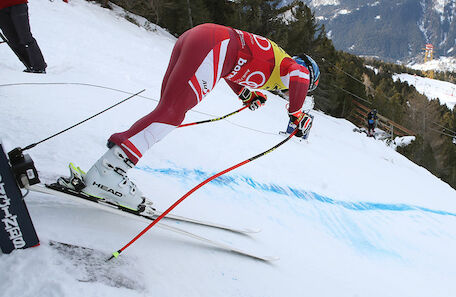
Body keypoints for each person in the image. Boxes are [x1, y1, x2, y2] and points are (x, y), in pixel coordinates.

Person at [58, 23, 320, 216]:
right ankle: (110, 172)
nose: (292, 90)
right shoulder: (293, 69)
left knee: (167, 110)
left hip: (202, 38)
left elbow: (232, 68)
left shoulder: (277, 63)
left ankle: (108, 167)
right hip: (216, 45)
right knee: (171, 113)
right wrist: (296, 113)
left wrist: (243, 92)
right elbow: (299, 76)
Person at [0, 0, 47, 73]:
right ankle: (29, 65)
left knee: (25, 36)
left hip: (17, 4)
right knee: (12, 40)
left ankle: (39, 66)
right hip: (1, 9)